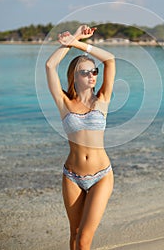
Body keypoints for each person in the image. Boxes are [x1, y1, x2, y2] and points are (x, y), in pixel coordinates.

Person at [45, 25, 115, 250]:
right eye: (85, 72)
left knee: (84, 240)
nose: (92, 76)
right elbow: (50, 65)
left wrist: (77, 43)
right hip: (72, 175)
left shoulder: (102, 99)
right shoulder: (64, 103)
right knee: (74, 236)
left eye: (94, 72)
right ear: (73, 76)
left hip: (101, 175)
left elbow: (110, 60)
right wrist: (74, 35)